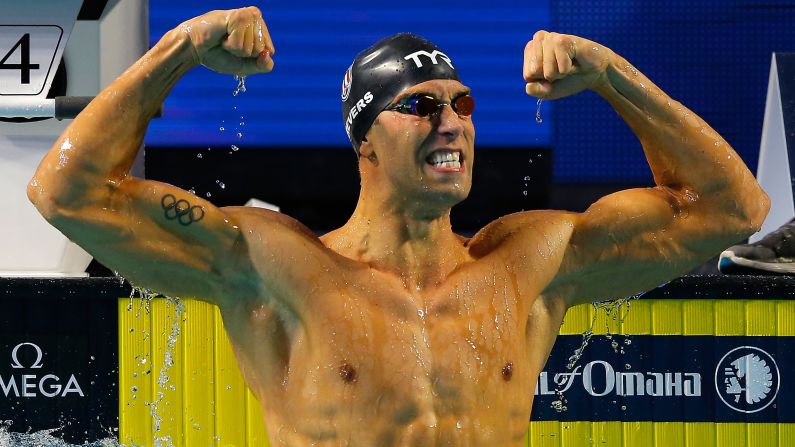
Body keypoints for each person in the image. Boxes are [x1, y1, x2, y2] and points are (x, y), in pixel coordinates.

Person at [27, 6, 769, 446]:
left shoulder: (531, 260)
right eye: (420, 105)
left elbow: (731, 209)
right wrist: (182, 45)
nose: (452, 123)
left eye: (462, 105)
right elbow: (68, 193)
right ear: (363, 138)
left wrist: (608, 71)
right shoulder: (272, 263)